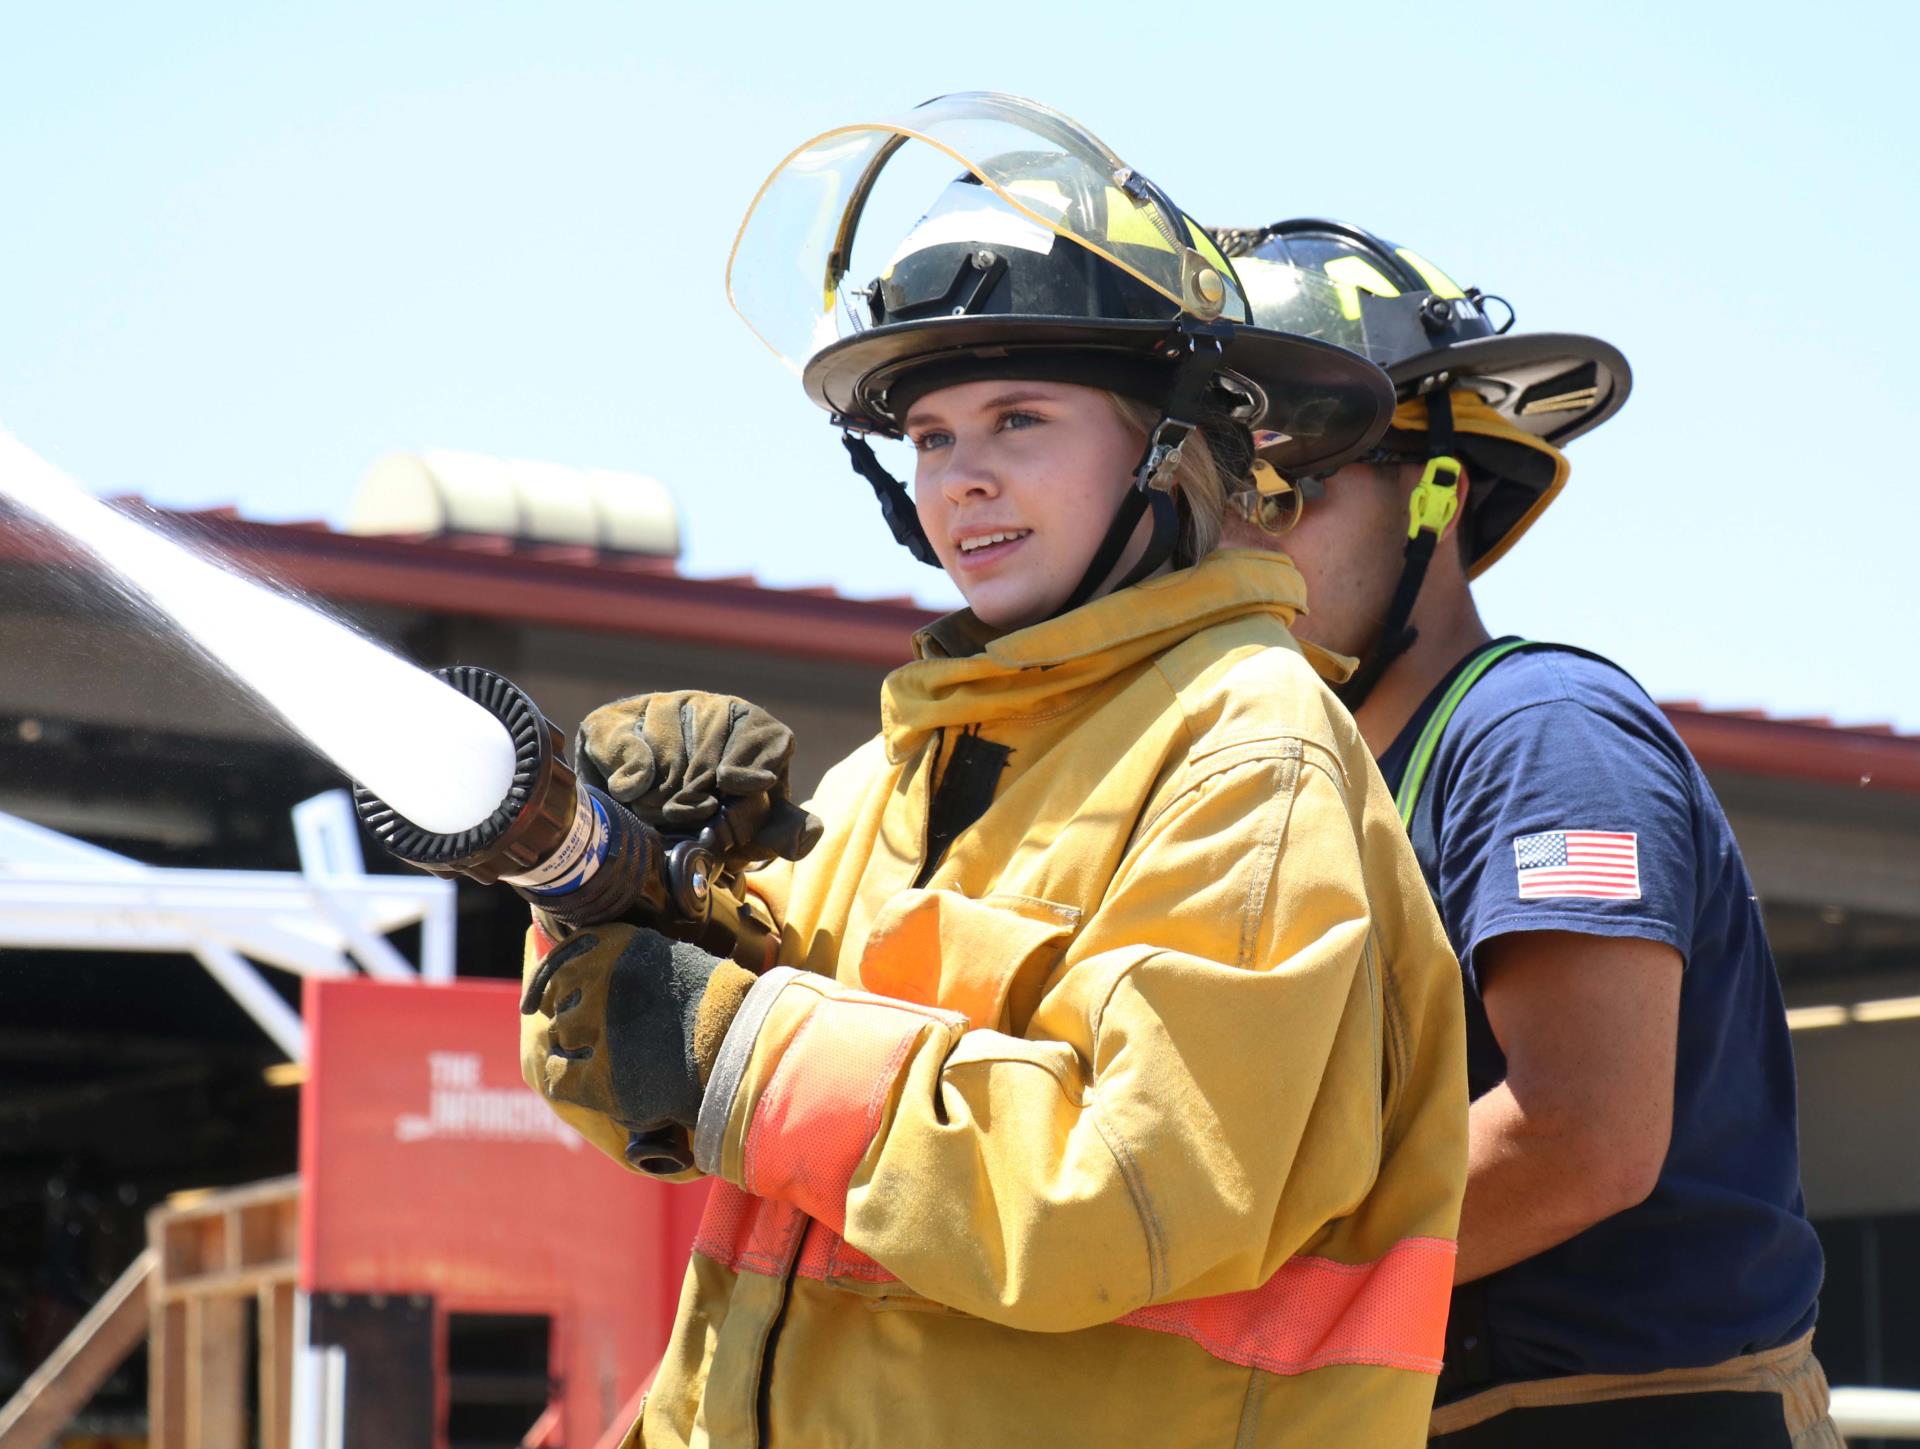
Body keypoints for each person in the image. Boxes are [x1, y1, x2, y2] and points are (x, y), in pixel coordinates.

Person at [518, 98, 1469, 1447]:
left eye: (1019, 419)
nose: (960, 482)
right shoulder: (890, 776)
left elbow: (1117, 1199)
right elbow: (651, 1101)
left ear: (1164, 444)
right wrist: (600, 898)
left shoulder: (1245, 753)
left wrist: (729, 1040)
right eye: (931, 437)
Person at [1211, 217, 1838, 1447]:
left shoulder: (1539, 731)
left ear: (1435, 496)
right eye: (1216, 500)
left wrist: (1242, 1303)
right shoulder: (1335, 785)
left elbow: (1578, 1137)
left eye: (1286, 489)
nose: (1241, 540)